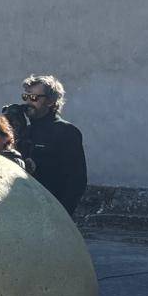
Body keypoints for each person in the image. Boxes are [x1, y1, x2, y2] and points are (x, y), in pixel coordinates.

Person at [21, 74, 87, 216]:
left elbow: (76, 181)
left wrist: (62, 215)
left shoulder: (66, 132)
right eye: (25, 97)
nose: (28, 102)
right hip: (25, 211)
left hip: (52, 213)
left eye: (33, 98)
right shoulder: (25, 132)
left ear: (50, 101)